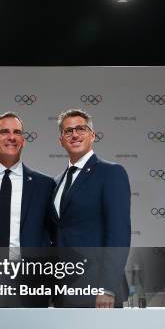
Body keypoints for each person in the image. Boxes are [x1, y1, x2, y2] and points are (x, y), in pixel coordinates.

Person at [0, 112, 55, 307]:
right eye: (4, 132)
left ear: (23, 140)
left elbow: (52, 233)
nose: (11, 137)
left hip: (31, 282)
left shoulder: (44, 184)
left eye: (17, 132)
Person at [51, 108, 131, 308]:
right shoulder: (57, 182)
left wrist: (107, 287)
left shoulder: (110, 173)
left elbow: (119, 234)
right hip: (64, 290)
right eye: (68, 131)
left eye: (81, 129)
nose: (75, 134)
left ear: (92, 135)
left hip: (98, 291)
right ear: (60, 140)